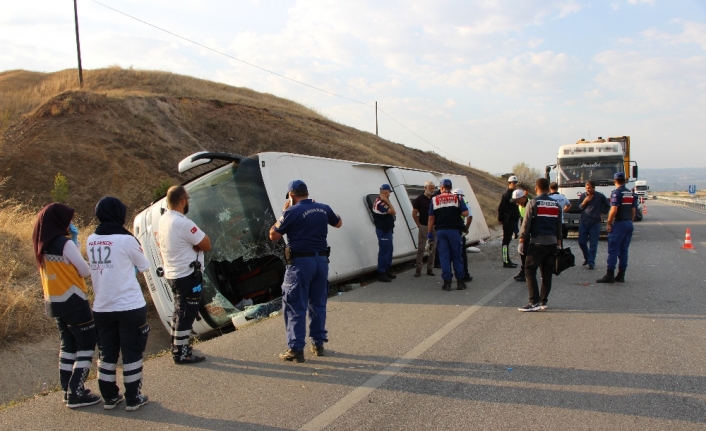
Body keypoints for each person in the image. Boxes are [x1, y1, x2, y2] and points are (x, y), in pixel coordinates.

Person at [32, 203, 100, 408]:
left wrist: (74, 243)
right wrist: (75, 242)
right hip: (74, 300)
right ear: (59, 221)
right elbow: (84, 270)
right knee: (87, 343)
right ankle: (76, 392)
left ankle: (66, 389)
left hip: (55, 303)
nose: (70, 223)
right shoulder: (65, 244)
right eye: (68, 219)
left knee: (68, 346)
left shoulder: (42, 247)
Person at [88, 197, 151, 411]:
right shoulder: (126, 240)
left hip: (102, 307)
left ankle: (109, 397)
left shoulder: (90, 240)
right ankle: (133, 397)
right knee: (131, 352)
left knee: (107, 353)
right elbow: (143, 265)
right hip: (129, 305)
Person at [269, 180, 342, 363]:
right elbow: (339, 222)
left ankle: (295, 348)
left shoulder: (291, 212)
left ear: (291, 195)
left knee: (295, 304)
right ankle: (318, 344)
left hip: (300, 264)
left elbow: (273, 235)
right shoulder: (323, 208)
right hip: (321, 262)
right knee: (317, 303)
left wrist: (283, 213)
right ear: (307, 193)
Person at [158, 186, 212, 364]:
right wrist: (194, 245)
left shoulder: (164, 219)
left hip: (173, 274)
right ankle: (181, 353)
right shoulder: (183, 222)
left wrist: (192, 245)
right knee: (186, 314)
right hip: (186, 275)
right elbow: (206, 244)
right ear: (182, 201)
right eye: (187, 199)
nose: (188, 202)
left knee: (179, 311)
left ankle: (178, 346)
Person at [517, 178, 562, 312]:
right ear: (548, 189)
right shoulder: (556, 205)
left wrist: (521, 240)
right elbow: (559, 225)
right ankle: (543, 301)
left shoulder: (533, 202)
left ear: (536, 189)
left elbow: (526, 224)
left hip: (537, 242)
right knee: (547, 272)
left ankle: (533, 301)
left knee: (529, 270)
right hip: (552, 243)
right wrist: (559, 242)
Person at [428, 179, 469, 291]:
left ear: (441, 188)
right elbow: (466, 213)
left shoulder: (434, 199)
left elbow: (431, 218)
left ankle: (447, 283)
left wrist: (429, 233)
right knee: (457, 256)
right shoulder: (458, 198)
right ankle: (460, 282)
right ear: (451, 188)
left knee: (444, 257)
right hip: (454, 231)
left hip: (441, 231)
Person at [597, 173, 637, 283]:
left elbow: (613, 210)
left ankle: (610, 274)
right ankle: (621, 275)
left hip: (619, 223)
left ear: (615, 180)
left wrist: (609, 223)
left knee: (613, 250)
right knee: (624, 250)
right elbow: (633, 210)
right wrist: (630, 221)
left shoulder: (616, 193)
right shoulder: (630, 193)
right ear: (625, 181)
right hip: (628, 223)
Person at [577, 180, 609, 270]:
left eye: (590, 188)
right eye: (586, 188)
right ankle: (587, 257)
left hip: (595, 222)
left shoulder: (600, 196)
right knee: (582, 242)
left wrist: (602, 213)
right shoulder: (583, 196)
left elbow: (607, 205)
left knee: (593, 244)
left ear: (593, 188)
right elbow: (579, 207)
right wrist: (584, 202)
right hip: (584, 221)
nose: (588, 190)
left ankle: (591, 262)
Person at [412, 181, 437, 277]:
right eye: (430, 188)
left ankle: (430, 268)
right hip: (423, 225)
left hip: (434, 226)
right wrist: (418, 224)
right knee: (421, 248)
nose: (432, 190)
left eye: (433, 188)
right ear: (425, 188)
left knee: (433, 248)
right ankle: (418, 269)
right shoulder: (419, 199)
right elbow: (414, 213)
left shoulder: (435, 199)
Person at [372, 184, 397, 282]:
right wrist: (387, 201)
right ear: (386, 192)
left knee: (389, 250)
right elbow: (393, 211)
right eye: (389, 192)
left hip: (387, 229)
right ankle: (381, 272)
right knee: (384, 251)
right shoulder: (380, 203)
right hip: (383, 230)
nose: (390, 194)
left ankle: (387, 269)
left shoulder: (382, 201)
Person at [497, 175, 520, 268]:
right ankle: (505, 261)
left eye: (515, 183)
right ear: (509, 184)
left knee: (508, 241)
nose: (515, 185)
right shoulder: (507, 194)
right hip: (508, 220)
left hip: (512, 220)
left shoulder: (513, 194)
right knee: (506, 242)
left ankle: (507, 260)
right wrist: (500, 219)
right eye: (513, 183)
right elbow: (501, 208)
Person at [452, 188, 473, 282]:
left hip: (450, 231)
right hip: (460, 231)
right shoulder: (464, 202)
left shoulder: (449, 203)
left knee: (450, 255)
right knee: (461, 254)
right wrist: (466, 228)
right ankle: (464, 275)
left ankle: (449, 276)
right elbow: (470, 216)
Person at [510, 189, 529, 282]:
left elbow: (528, 223)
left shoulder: (530, 205)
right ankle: (524, 272)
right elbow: (522, 220)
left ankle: (526, 273)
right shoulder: (521, 205)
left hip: (529, 233)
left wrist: (523, 236)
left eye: (517, 200)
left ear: (522, 198)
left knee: (525, 253)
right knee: (522, 253)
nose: (516, 203)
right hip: (524, 231)